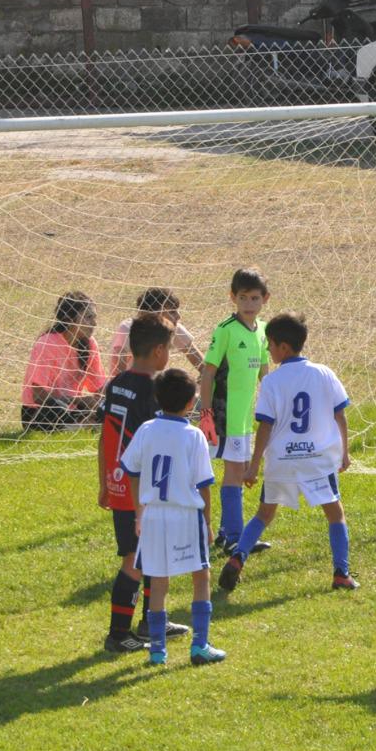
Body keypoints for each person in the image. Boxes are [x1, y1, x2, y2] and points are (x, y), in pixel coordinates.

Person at [217, 312, 356, 593]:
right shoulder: (324, 373)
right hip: (317, 460)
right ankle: (341, 573)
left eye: (269, 344)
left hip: (282, 459)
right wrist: (345, 452)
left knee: (263, 515)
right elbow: (340, 415)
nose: (267, 350)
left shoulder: (271, 382)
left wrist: (254, 465)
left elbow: (265, 426)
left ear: (282, 347)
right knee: (335, 514)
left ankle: (237, 558)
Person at [119, 368, 224, 667]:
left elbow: (133, 471)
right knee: (200, 575)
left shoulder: (147, 429)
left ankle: (157, 652)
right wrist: (207, 521)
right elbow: (204, 485)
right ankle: (200, 646)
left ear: (157, 398)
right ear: (191, 402)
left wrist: (140, 510)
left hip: (153, 516)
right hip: (184, 516)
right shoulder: (193, 436)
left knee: (159, 580)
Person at [99, 313, 190, 652]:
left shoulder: (118, 382)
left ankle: (154, 622)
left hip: (119, 482)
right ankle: (119, 634)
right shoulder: (153, 392)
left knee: (154, 553)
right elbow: (155, 446)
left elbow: (105, 437)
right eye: (169, 349)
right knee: (135, 559)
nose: (170, 356)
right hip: (141, 491)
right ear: (156, 352)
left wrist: (104, 482)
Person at [198, 269, 271, 554]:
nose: (249, 303)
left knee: (238, 471)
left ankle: (227, 532)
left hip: (244, 418)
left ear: (265, 299)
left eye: (254, 298)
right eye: (243, 298)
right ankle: (234, 538)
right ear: (233, 297)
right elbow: (208, 373)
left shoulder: (263, 331)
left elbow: (266, 375)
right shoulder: (226, 329)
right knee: (234, 470)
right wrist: (206, 413)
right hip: (224, 413)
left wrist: (272, 404)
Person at [22, 291, 107, 431]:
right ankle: (81, 426)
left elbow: (98, 388)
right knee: (55, 408)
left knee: (109, 407)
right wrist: (79, 400)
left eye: (94, 317)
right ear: (69, 319)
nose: (94, 323)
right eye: (88, 317)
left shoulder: (90, 344)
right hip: (39, 411)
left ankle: (81, 425)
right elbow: (38, 396)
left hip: (73, 410)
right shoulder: (47, 343)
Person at [108, 287, 203, 378]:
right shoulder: (127, 329)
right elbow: (117, 375)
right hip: (130, 388)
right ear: (154, 314)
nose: (179, 316)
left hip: (157, 388)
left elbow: (201, 363)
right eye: (172, 311)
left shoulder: (173, 327)